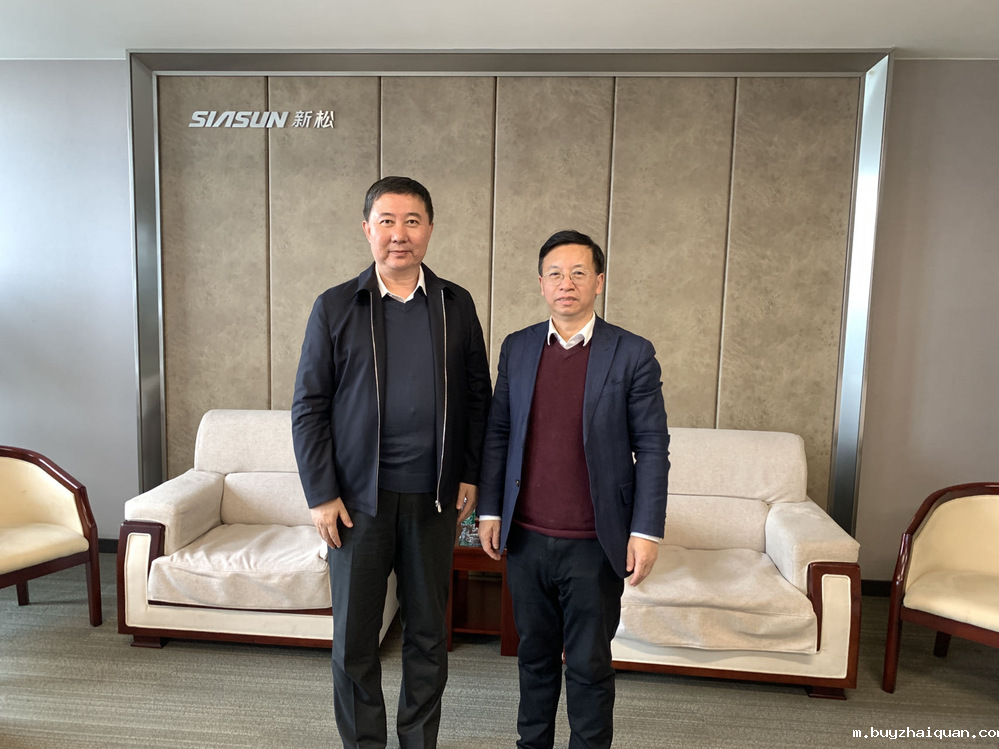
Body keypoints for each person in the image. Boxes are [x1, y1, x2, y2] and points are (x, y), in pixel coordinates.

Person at [291, 176, 491, 749]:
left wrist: (470, 472)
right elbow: (309, 407)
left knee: (428, 635)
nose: (399, 234)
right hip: (358, 505)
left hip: (434, 501)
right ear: (367, 230)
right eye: (386, 221)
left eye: (411, 221)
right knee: (355, 640)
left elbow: (478, 395)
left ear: (429, 229)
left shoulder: (455, 304)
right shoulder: (336, 306)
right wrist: (321, 493)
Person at [478, 229, 670, 749]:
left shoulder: (632, 353)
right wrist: (490, 511)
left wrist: (645, 531)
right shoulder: (518, 347)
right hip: (526, 539)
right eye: (556, 274)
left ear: (599, 282)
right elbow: (498, 433)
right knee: (534, 659)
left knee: (588, 665)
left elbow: (653, 447)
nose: (567, 283)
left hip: (594, 543)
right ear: (541, 283)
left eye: (579, 273)